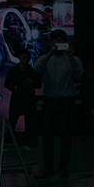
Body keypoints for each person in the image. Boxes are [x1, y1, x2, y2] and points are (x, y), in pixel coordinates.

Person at [33, 30, 83, 178]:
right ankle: (48, 168)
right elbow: (36, 69)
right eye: (55, 41)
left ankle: (63, 168)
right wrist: (50, 53)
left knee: (65, 135)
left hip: (66, 101)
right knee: (46, 136)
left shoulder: (72, 58)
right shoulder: (46, 58)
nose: (58, 43)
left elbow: (79, 74)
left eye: (61, 40)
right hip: (49, 100)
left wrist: (70, 57)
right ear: (51, 43)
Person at [4, 49, 41, 147]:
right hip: (17, 100)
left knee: (29, 123)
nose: (26, 60)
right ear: (19, 58)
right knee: (12, 122)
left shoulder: (32, 71)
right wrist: (14, 87)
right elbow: (6, 84)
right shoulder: (13, 71)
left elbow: (38, 85)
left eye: (27, 58)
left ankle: (27, 143)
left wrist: (31, 83)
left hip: (28, 100)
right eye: (24, 58)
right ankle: (8, 143)